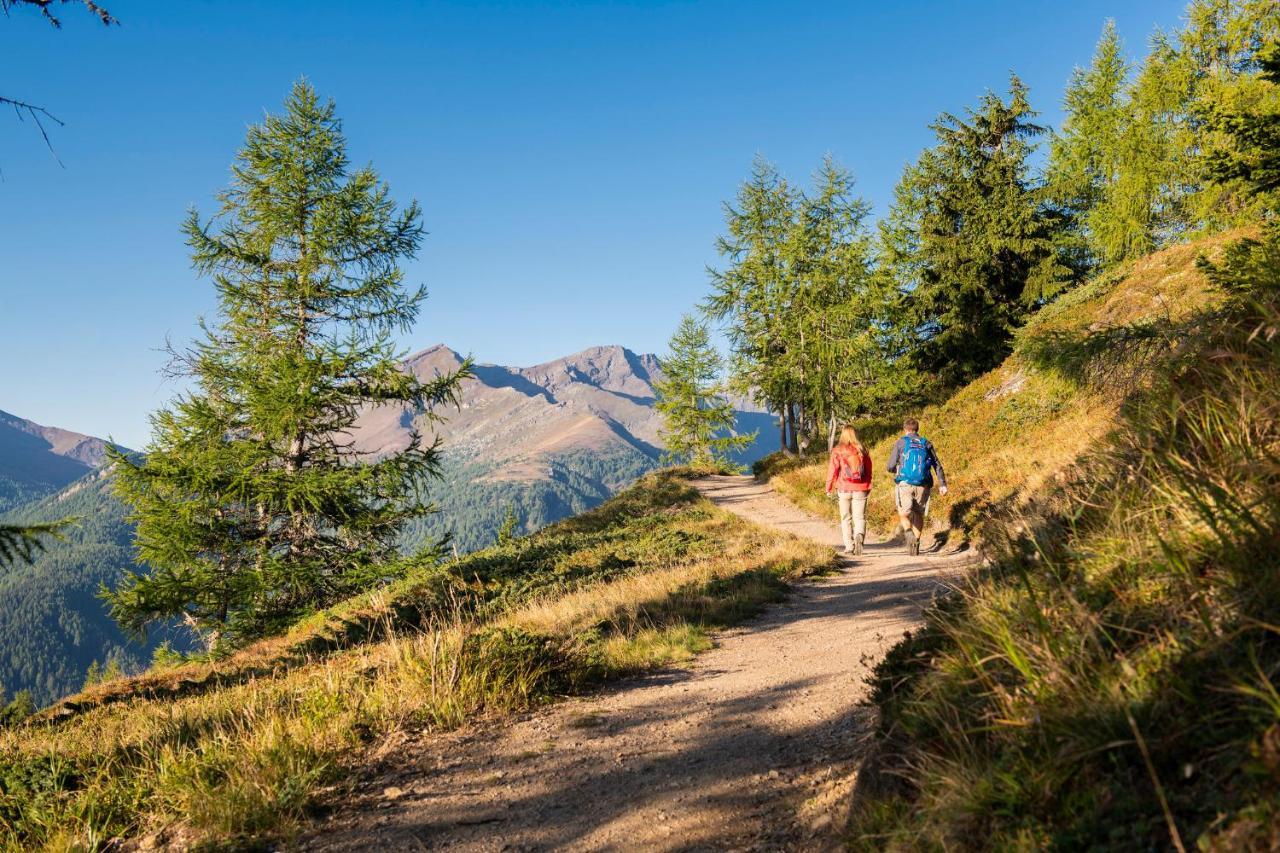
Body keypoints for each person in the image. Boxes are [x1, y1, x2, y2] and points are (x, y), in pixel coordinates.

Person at [885, 417, 947, 556]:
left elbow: (890, 466)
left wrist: (894, 470)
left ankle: (908, 532)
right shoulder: (926, 443)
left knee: (903, 512)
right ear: (917, 429)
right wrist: (942, 484)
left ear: (905, 429)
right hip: (923, 484)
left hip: (905, 483)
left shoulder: (901, 442)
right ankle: (916, 542)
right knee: (918, 513)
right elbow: (937, 464)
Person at [825, 424, 872, 556]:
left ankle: (849, 547)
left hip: (844, 488)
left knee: (846, 518)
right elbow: (868, 471)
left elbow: (832, 470)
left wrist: (828, 487)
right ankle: (859, 536)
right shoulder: (862, 450)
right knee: (860, 517)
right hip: (860, 487)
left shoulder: (838, 450)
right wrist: (868, 485)